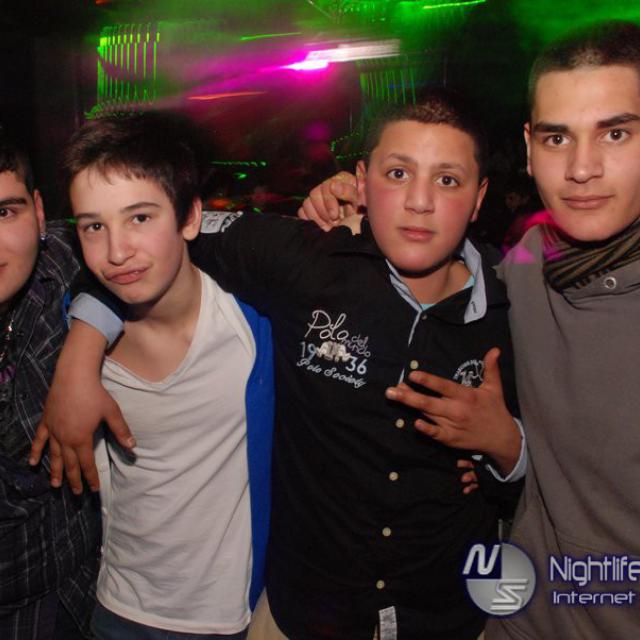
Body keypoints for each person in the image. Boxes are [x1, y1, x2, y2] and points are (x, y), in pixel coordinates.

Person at [39, 90, 525, 640]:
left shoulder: (516, 311)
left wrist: (507, 448)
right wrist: (80, 353)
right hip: (302, 614)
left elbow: (551, 490)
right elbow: (144, 251)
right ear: (361, 181)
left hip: (448, 618)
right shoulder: (302, 262)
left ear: (480, 198)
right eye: (397, 173)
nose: (419, 201)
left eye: (448, 180)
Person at [302, 20, 640, 640]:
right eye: (558, 137)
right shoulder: (524, 269)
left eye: (615, 133)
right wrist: (351, 198)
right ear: (529, 148)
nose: (582, 168)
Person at [35, 112, 275, 639]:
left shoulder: (252, 325)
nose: (117, 252)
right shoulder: (67, 327)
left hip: (230, 617)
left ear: (191, 217)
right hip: (116, 608)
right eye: (94, 226)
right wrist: (78, 355)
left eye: (140, 217)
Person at [0, 133, 103, 638]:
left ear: (39, 214)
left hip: (76, 594)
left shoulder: (70, 255)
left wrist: (84, 343)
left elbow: (173, 233)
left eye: (4, 213)